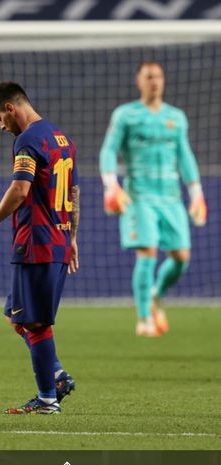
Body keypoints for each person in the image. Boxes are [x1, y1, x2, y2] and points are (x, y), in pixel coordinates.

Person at [0, 81, 79, 414]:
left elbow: (19, 190)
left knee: (34, 324)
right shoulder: (63, 139)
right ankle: (57, 375)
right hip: (59, 240)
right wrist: (72, 237)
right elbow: (73, 194)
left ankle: (48, 398)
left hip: (37, 243)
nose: (1, 126)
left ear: (10, 108)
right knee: (14, 315)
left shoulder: (28, 139)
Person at [99, 61, 207, 337]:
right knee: (147, 253)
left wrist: (196, 193)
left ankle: (157, 293)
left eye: (158, 76)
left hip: (171, 197)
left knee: (181, 257)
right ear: (139, 81)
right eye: (149, 77)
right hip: (139, 196)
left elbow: (185, 156)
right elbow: (109, 150)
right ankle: (144, 317)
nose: (154, 81)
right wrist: (111, 186)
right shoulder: (126, 115)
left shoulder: (176, 117)